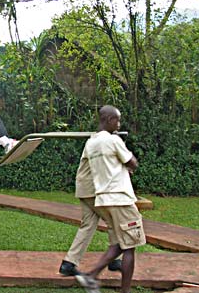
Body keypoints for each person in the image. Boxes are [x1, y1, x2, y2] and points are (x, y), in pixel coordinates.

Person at [74, 105, 145, 293]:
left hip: (103, 200)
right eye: (117, 120)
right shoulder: (113, 140)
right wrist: (128, 164)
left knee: (119, 243)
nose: (118, 124)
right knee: (130, 246)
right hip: (120, 198)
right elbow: (132, 162)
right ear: (108, 119)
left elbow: (107, 165)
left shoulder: (91, 143)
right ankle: (123, 290)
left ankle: (91, 276)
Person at [59, 139, 122, 276]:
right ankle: (114, 260)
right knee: (114, 221)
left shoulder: (96, 140)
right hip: (93, 189)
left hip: (85, 188)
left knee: (88, 225)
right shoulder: (100, 142)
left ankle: (69, 263)